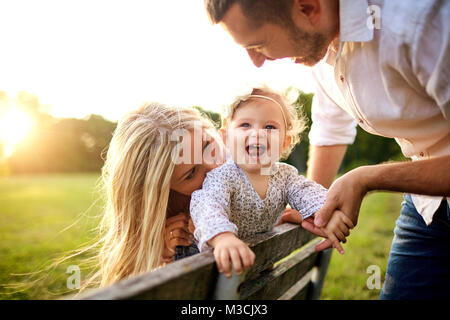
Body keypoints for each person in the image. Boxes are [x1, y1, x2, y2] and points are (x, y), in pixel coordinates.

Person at [204, 0, 450, 299]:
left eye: (259, 44)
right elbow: (330, 129)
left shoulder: (423, 25)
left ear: (308, 9)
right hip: (428, 206)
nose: (256, 62)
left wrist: (366, 177)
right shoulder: (321, 54)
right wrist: (315, 207)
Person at [190, 86, 353, 278]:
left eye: (269, 127)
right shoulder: (223, 177)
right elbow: (207, 206)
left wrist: (324, 211)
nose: (257, 133)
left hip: (256, 274)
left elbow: (307, 192)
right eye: (245, 125)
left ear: (285, 142)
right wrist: (222, 237)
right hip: (218, 273)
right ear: (226, 137)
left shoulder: (285, 177)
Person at [96, 101, 225, 286]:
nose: (215, 166)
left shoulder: (247, 168)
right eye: (191, 173)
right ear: (164, 191)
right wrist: (160, 254)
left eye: (206, 146)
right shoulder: (169, 224)